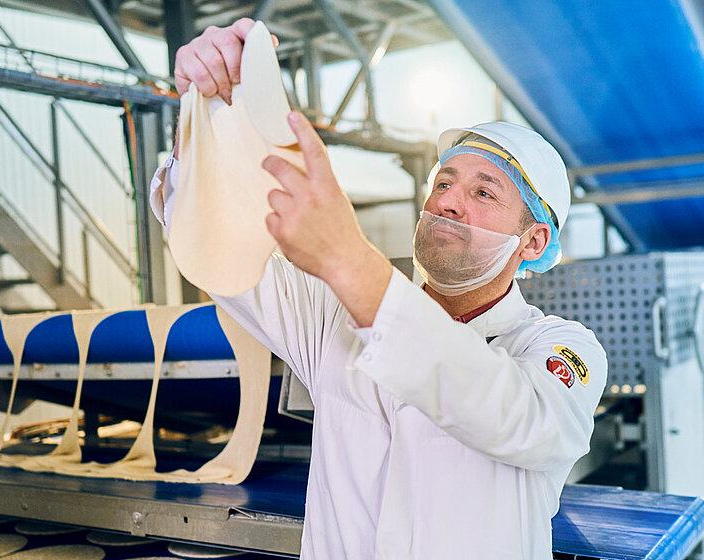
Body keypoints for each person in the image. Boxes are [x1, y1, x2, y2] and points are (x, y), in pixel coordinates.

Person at [153, 18, 607, 559]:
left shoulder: (561, 350)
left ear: (532, 242)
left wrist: (347, 257)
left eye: (483, 192)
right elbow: (219, 248)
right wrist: (207, 117)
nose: (448, 202)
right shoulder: (332, 319)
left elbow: (512, 415)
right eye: (443, 182)